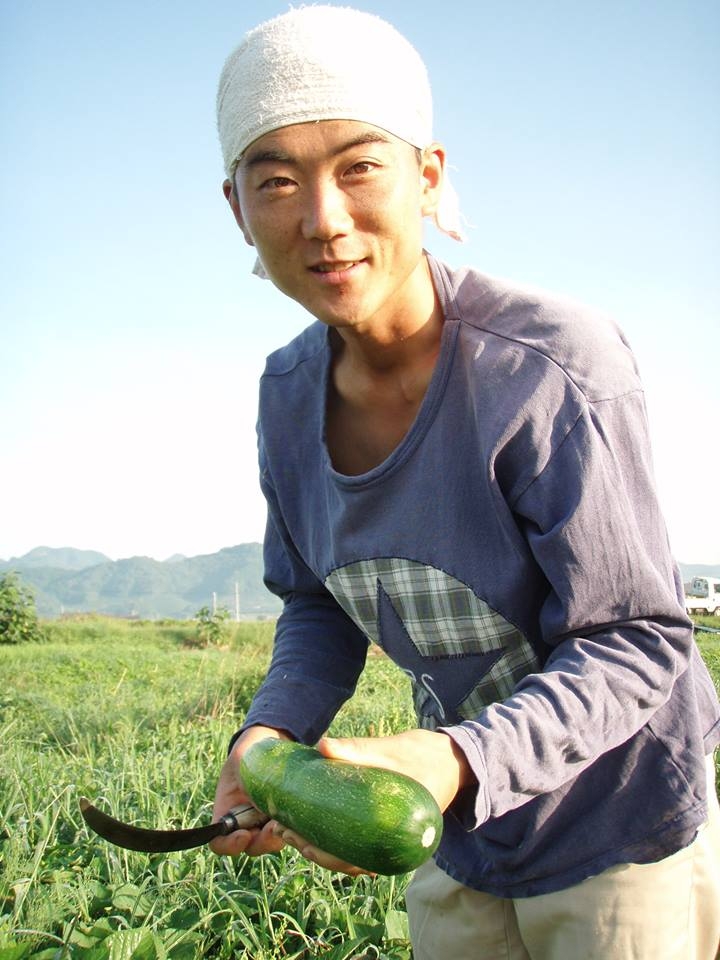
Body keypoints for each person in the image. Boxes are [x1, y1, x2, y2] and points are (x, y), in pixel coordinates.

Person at [210, 7, 720, 958]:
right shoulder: (285, 397)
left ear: (428, 176)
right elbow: (319, 606)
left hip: (618, 828)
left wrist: (452, 758)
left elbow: (638, 638)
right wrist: (269, 736)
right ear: (238, 208)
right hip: (460, 827)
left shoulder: (549, 367)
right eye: (276, 181)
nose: (324, 219)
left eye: (360, 167)